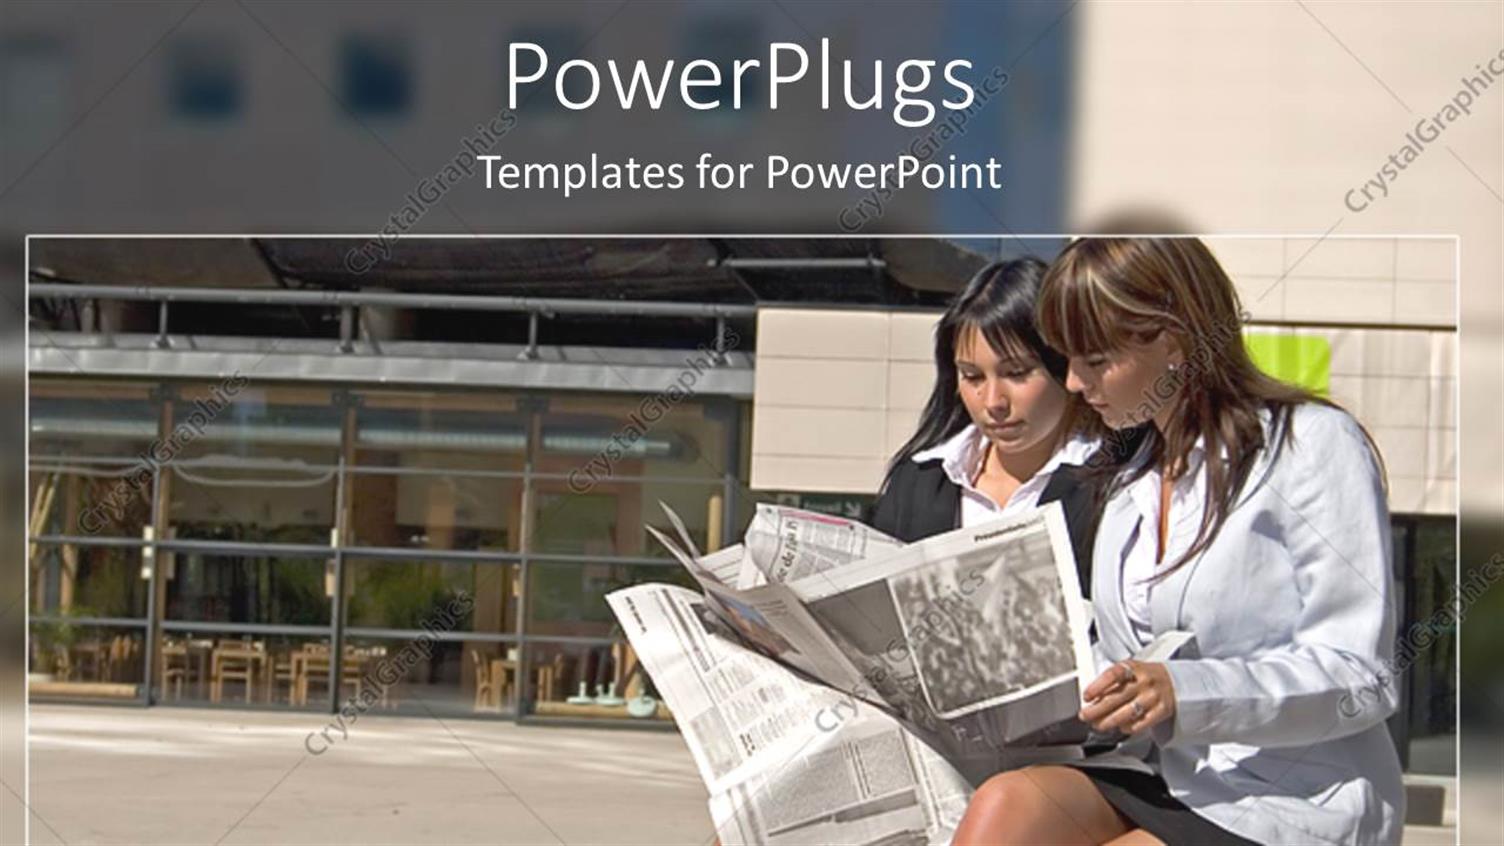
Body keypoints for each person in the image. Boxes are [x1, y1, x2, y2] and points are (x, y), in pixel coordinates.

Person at [952, 237, 1404, 845]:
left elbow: (1362, 676)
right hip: (1165, 773)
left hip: (1293, 793)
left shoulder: (1311, 446)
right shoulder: (1128, 473)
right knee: (1005, 806)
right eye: (1066, 359)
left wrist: (1183, 692)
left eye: (1094, 360)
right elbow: (1121, 660)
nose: (1075, 383)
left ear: (1172, 339)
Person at [869, 257, 1135, 584]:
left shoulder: (1121, 478)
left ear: (1065, 364)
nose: (993, 402)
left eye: (1017, 373)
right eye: (972, 376)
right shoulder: (918, 481)